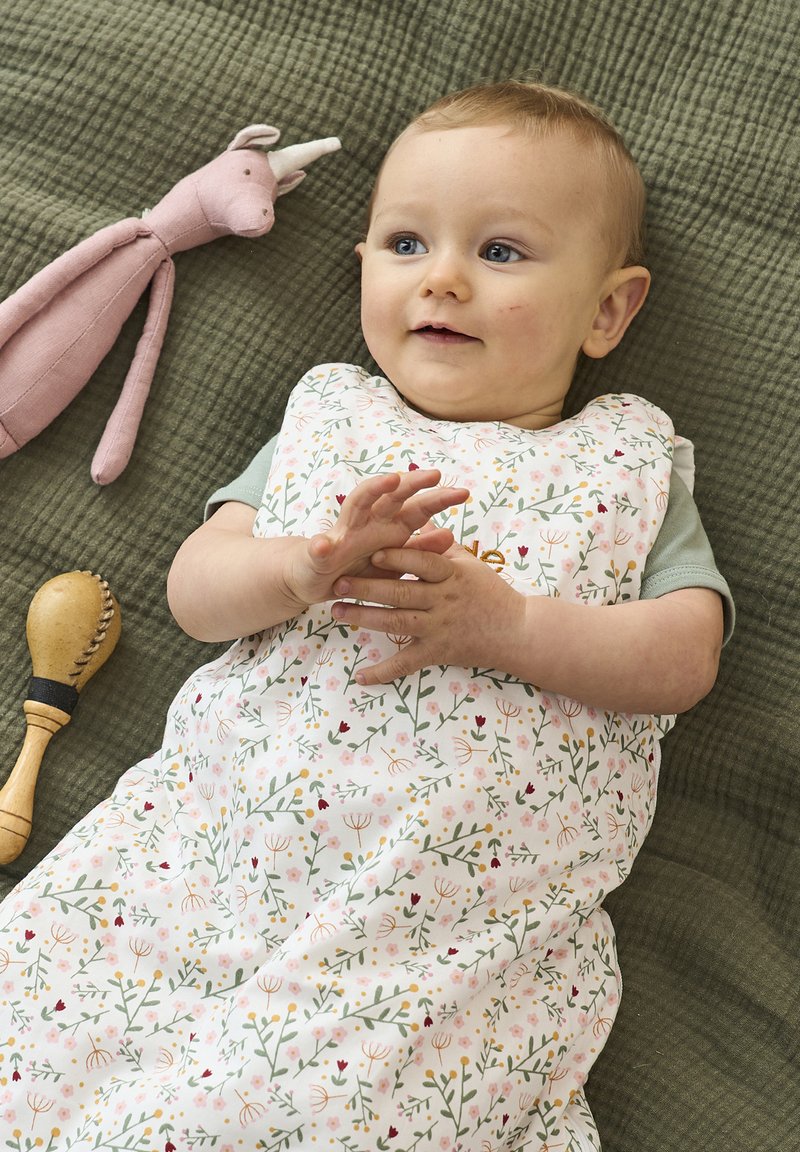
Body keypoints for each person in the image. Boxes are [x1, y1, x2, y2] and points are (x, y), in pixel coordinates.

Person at [0, 81, 732, 1151]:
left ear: (606, 310)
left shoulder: (622, 466)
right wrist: (297, 569)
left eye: (501, 253)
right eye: (403, 242)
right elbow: (195, 593)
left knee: (307, 1106)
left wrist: (510, 629)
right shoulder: (330, 417)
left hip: (437, 931)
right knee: (44, 1031)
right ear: (360, 269)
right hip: (212, 863)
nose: (439, 276)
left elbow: (683, 657)